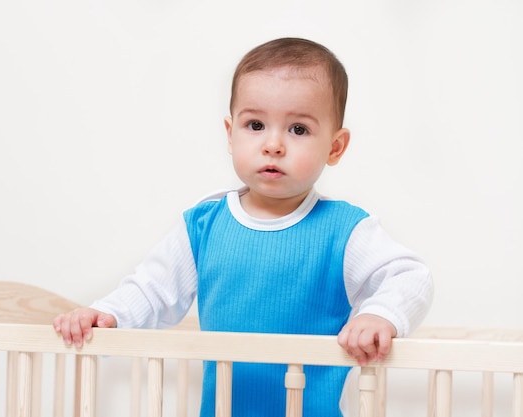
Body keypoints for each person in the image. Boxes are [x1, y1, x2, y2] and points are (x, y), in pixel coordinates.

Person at [53, 37, 433, 416]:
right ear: (230, 133)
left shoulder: (346, 230)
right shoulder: (204, 224)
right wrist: (107, 314)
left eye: (298, 130)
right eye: (255, 125)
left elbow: (410, 277)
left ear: (335, 147)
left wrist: (380, 314)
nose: (273, 144)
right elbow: (152, 290)